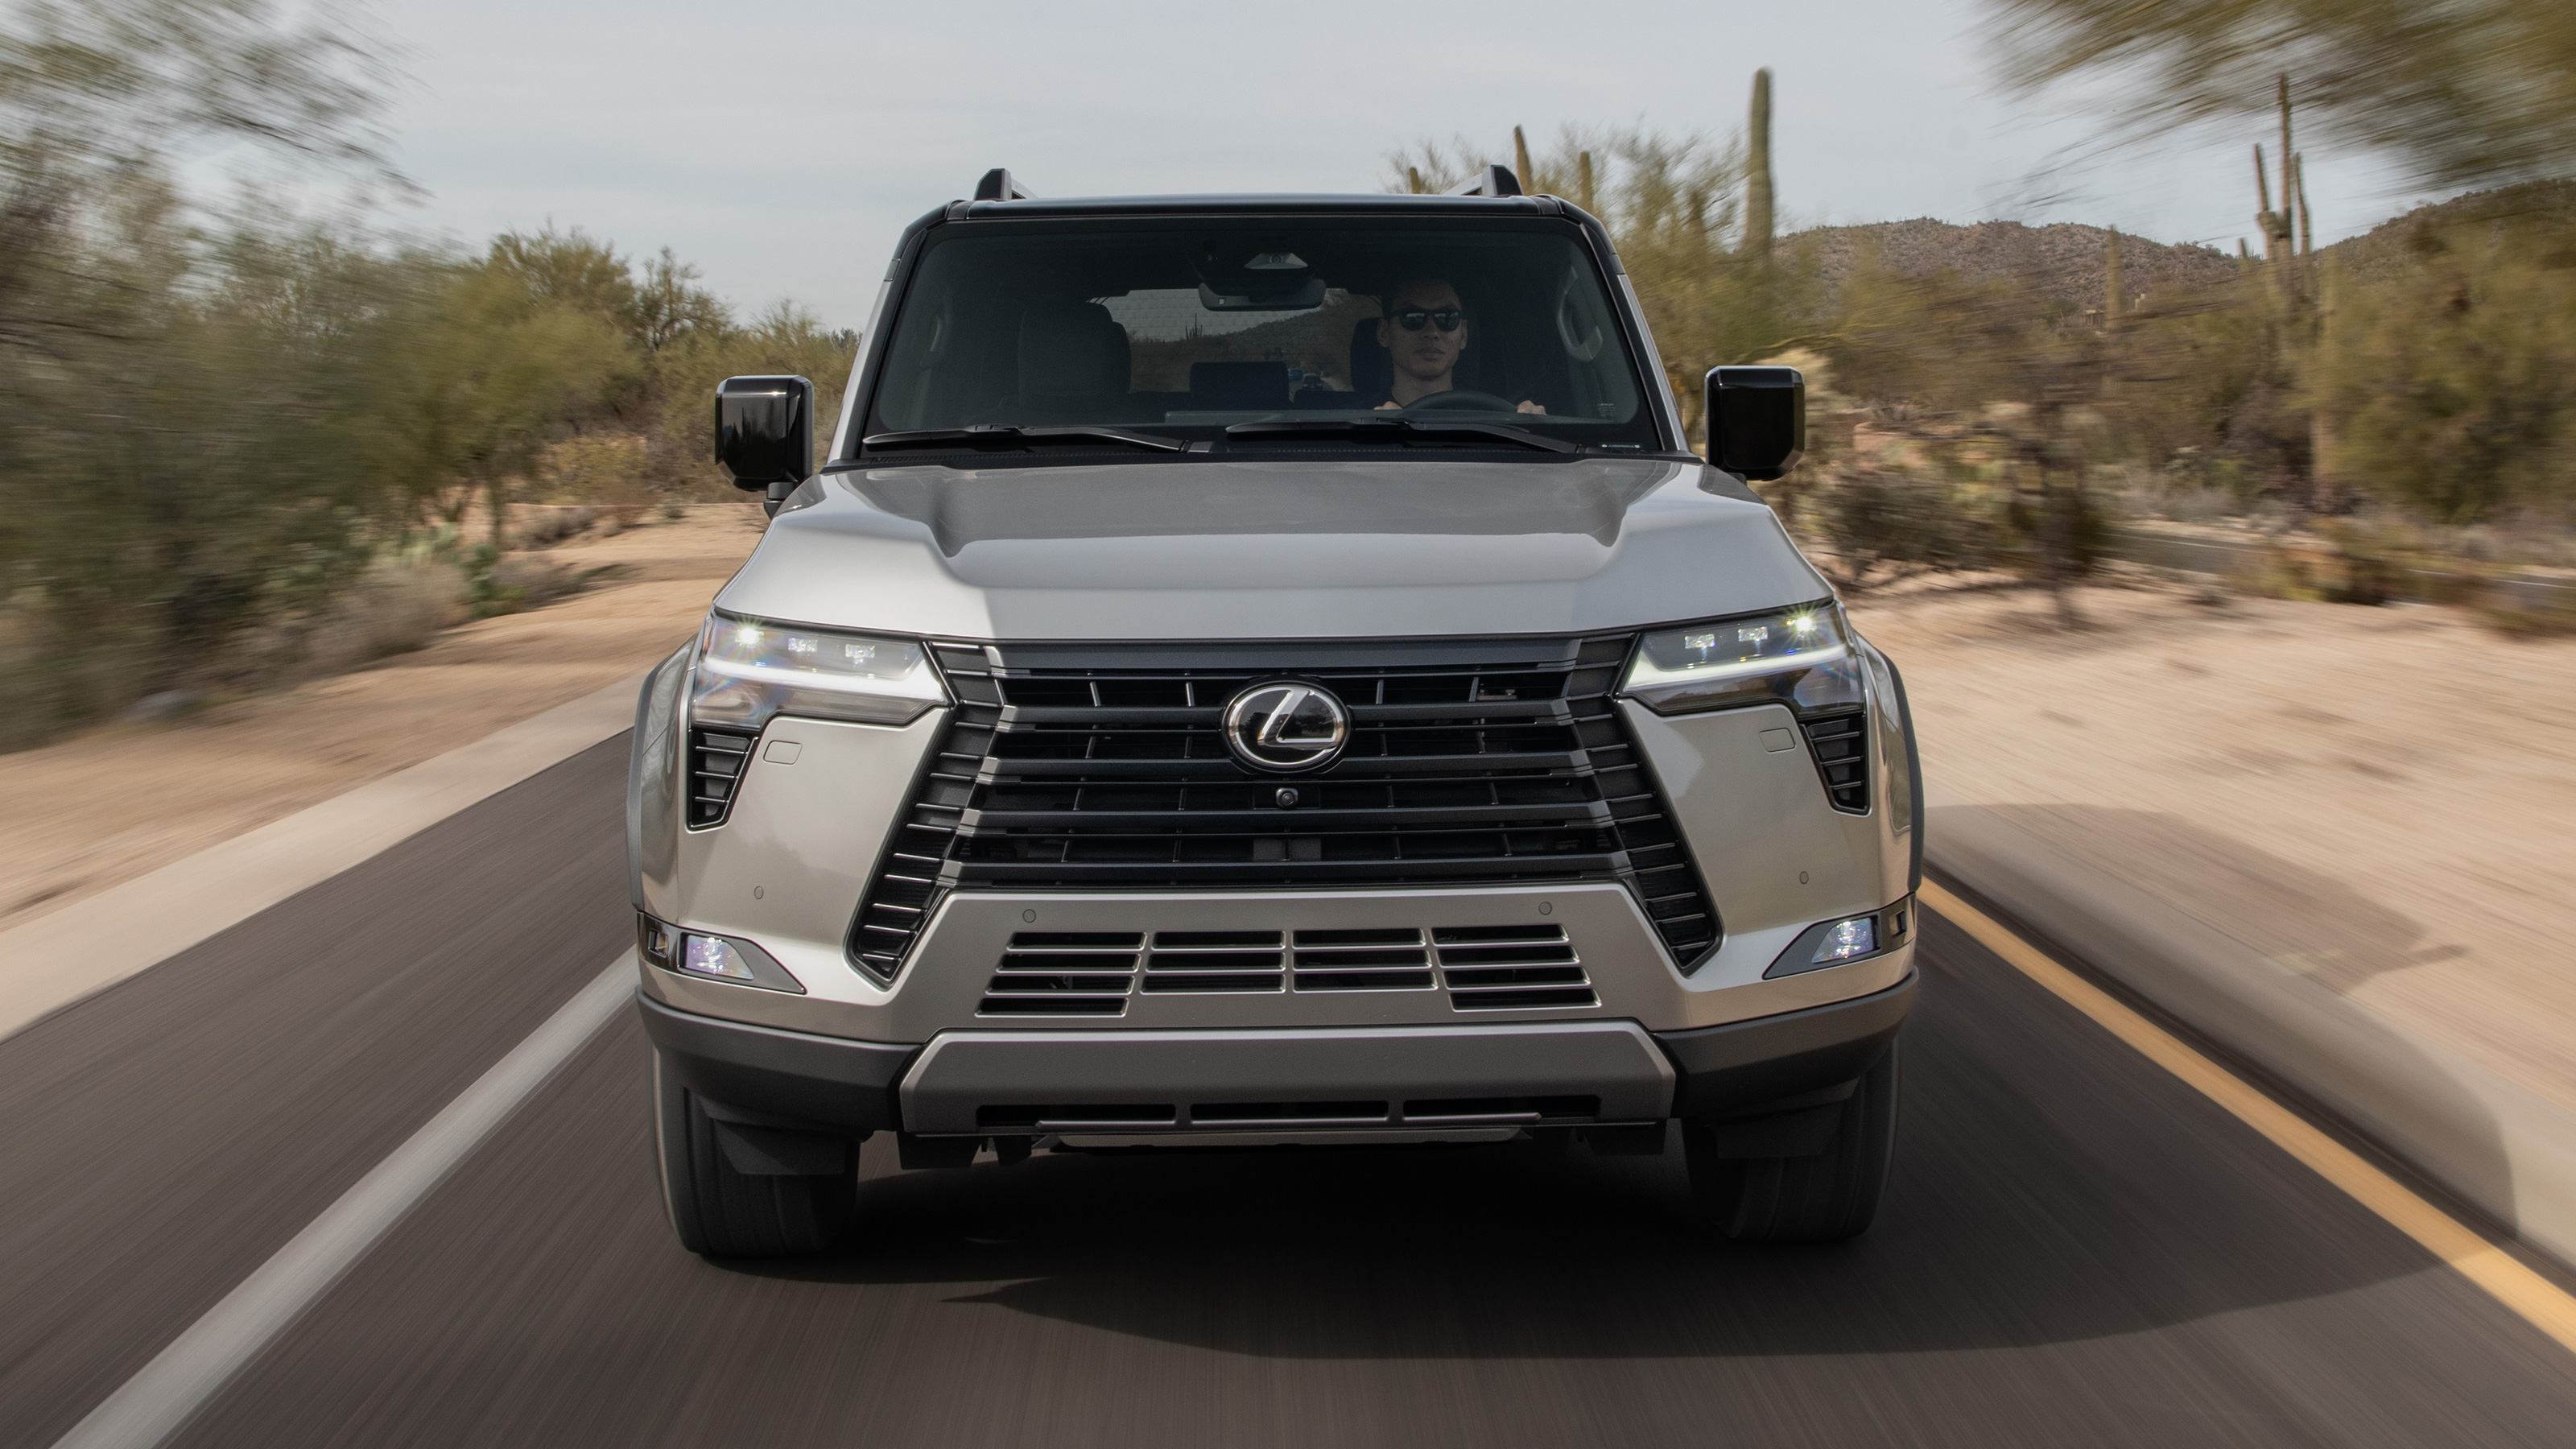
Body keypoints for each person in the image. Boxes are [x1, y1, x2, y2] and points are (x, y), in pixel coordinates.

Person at [1372, 277, 1546, 413]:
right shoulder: (1350, 420)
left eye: (1447, 318)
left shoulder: (1499, 419)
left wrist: (1535, 427)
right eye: (1412, 317)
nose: (1432, 332)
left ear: (1463, 334)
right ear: (1384, 333)